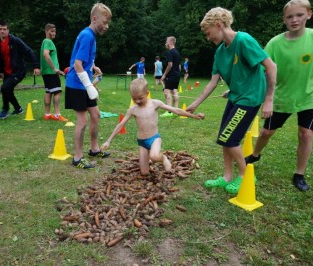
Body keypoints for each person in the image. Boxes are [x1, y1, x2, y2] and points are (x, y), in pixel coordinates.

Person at [187, 7, 277, 194]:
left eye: (208, 33)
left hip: (250, 98)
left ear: (218, 25)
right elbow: (212, 83)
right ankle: (227, 176)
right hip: (236, 96)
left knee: (230, 138)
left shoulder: (243, 40)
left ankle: (245, 176)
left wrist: (269, 100)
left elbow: (271, 67)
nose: (207, 37)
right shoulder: (220, 52)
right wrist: (195, 104)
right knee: (224, 138)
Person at [245, 0, 313, 191]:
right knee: (266, 132)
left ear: (309, 14)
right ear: (284, 19)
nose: (294, 20)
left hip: (309, 97)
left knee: (305, 134)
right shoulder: (275, 43)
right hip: (281, 97)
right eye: (289, 16)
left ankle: (299, 174)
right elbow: (262, 70)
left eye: (299, 15)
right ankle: (255, 154)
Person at [101, 78, 205, 175]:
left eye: (140, 98)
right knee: (144, 172)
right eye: (134, 99)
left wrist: (194, 116)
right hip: (142, 142)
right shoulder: (133, 109)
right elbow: (121, 124)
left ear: (147, 93)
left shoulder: (155, 103)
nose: (137, 101)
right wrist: (108, 141)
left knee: (154, 156)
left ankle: (163, 158)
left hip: (154, 138)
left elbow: (176, 110)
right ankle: (152, 158)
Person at [65, 3, 112, 169]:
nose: (106, 27)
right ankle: (77, 158)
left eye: (108, 24)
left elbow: (83, 60)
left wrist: (92, 66)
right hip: (77, 84)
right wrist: (90, 86)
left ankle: (94, 149)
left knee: (96, 115)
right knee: (82, 120)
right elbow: (77, 65)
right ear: (94, 19)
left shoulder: (90, 35)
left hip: (82, 82)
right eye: (104, 22)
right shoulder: (87, 36)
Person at [0, 20, 40, 119]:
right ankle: (18, 108)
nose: (2, 31)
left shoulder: (15, 41)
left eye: (4, 29)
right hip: (7, 72)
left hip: (19, 71)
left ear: (8, 30)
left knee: (4, 88)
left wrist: (36, 66)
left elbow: (29, 51)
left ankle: (5, 109)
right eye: (0, 29)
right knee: (7, 90)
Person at [40, 23, 68, 122]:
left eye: (54, 31)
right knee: (58, 92)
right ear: (46, 31)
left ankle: (47, 114)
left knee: (48, 92)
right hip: (51, 72)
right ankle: (57, 114)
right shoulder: (48, 41)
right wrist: (54, 68)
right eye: (51, 31)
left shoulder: (44, 41)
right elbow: (46, 55)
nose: (54, 33)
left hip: (46, 72)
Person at [160, 36, 181, 117]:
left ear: (170, 42)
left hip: (171, 75)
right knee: (174, 91)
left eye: (166, 41)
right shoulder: (177, 52)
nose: (165, 43)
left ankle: (169, 112)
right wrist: (178, 73)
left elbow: (170, 64)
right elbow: (179, 66)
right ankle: (176, 110)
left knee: (166, 92)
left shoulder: (170, 52)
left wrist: (164, 75)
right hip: (177, 75)